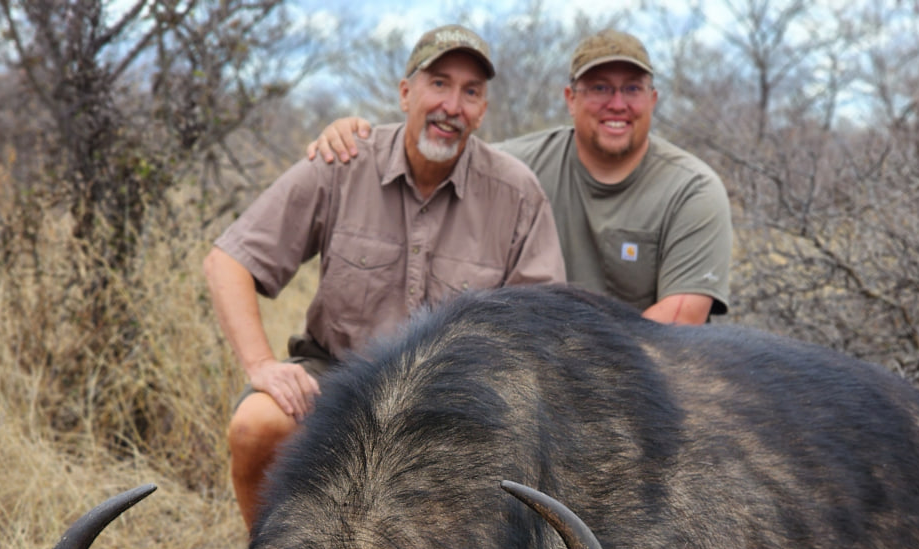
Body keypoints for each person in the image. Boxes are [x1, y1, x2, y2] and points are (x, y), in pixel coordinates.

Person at [207, 25, 565, 529]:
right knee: (256, 427)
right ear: (405, 93)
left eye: (470, 92)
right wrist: (262, 364)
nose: (452, 106)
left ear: (483, 110)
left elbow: (542, 327)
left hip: (455, 394)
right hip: (337, 377)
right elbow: (228, 262)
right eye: (438, 83)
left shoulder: (516, 191)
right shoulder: (343, 160)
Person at [310, 28, 732, 326]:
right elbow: (439, 149)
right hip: (543, 374)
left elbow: (683, 318)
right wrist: (357, 136)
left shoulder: (692, 189)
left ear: (653, 99)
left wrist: (587, 377)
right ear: (570, 99)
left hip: (651, 378)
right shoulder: (518, 168)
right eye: (599, 88)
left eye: (632, 89)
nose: (616, 103)